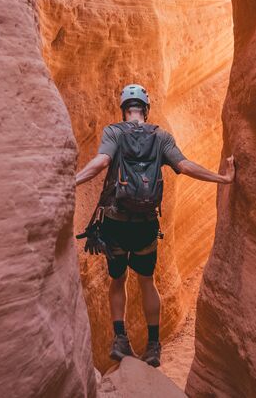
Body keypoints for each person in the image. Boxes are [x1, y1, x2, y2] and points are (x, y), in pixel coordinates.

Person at [74, 83, 235, 367]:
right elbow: (185, 166)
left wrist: (72, 180)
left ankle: (120, 340)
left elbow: (101, 162)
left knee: (118, 279)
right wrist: (223, 179)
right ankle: (153, 346)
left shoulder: (114, 132)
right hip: (145, 226)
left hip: (115, 222)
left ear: (124, 109)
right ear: (145, 110)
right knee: (147, 282)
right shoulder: (161, 137)